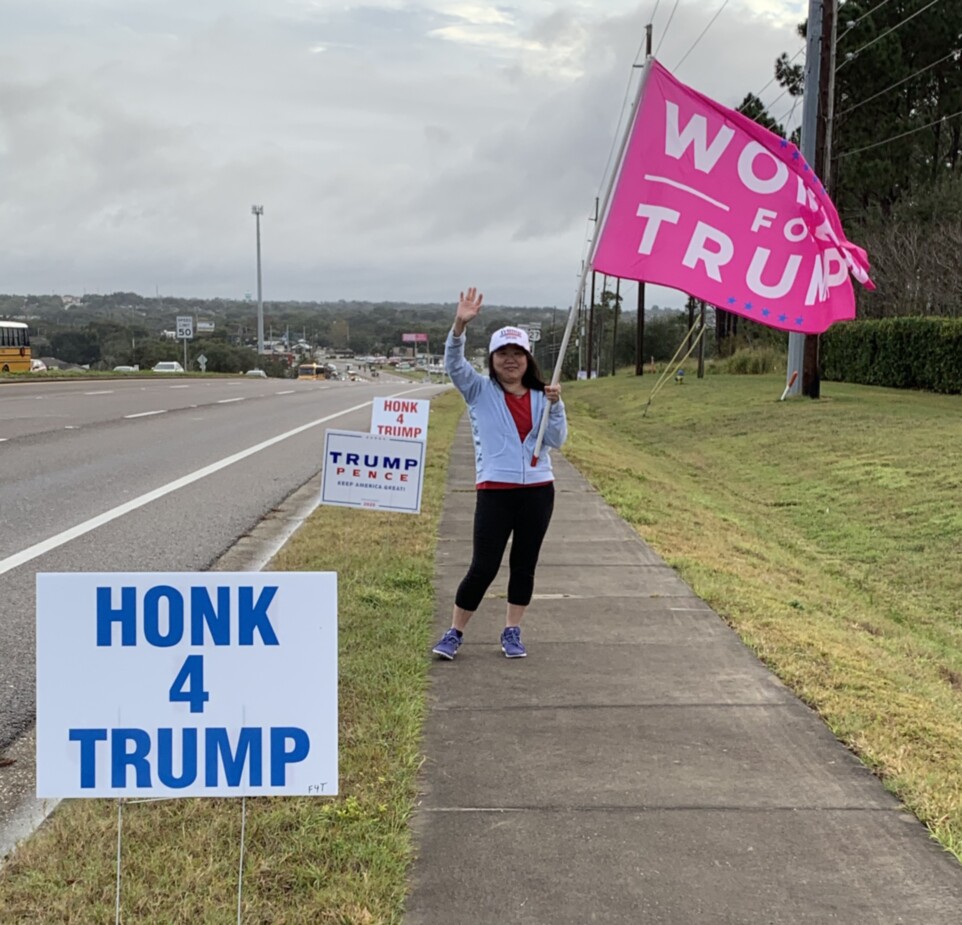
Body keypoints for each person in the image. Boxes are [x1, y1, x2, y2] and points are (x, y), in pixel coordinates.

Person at [432, 286, 567, 660]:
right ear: (492, 359)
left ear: (528, 358)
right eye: (503, 354)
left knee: (524, 565)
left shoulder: (544, 395)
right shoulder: (479, 390)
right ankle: (455, 632)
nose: (511, 360)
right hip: (495, 490)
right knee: (483, 566)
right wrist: (459, 324)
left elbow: (557, 440)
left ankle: (512, 630)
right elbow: (454, 365)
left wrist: (556, 407)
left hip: (538, 491)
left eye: (517, 354)